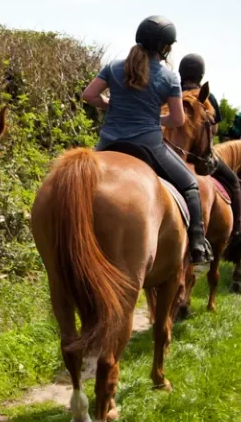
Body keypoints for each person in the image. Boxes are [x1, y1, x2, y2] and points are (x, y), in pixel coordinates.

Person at [80, 16, 212, 263]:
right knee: (191, 186)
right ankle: (197, 247)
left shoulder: (114, 67)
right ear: (165, 47)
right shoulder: (170, 78)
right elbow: (177, 120)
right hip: (148, 147)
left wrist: (109, 104)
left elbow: (89, 95)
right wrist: (154, 119)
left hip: (108, 143)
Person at [177, 53, 241, 253]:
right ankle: (237, 227)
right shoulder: (206, 96)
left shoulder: (173, 89)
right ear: (201, 74)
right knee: (234, 182)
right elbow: (214, 129)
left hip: (175, 149)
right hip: (200, 154)